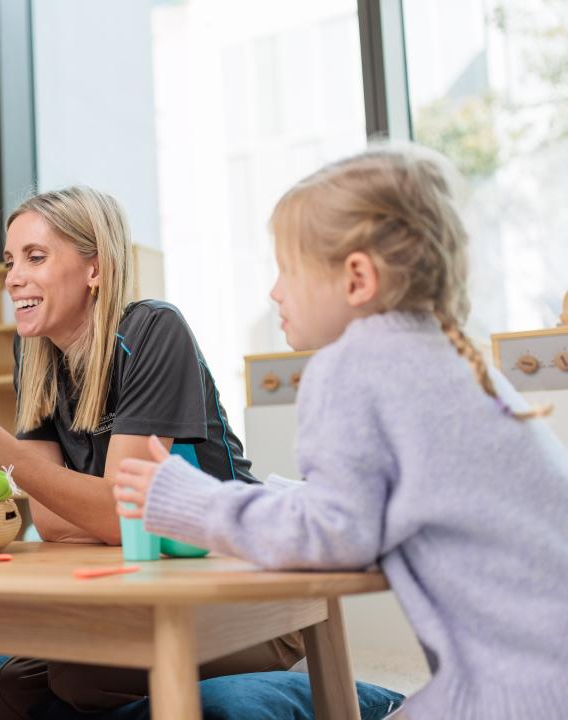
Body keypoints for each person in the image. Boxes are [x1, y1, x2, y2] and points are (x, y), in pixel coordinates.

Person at [111, 145, 568, 719]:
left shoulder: (350, 363)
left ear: (356, 277)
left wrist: (190, 499)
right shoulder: (454, 358)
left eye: (286, 269)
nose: (275, 291)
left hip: (515, 693)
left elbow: (334, 536)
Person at [0, 186, 303, 719]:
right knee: (15, 687)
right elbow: (55, 522)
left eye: (36, 257)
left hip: (246, 583)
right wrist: (96, 507)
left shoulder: (154, 330)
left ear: (95, 269)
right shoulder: (33, 352)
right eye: (11, 260)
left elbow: (121, 515)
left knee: (78, 679)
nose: (14, 277)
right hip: (157, 585)